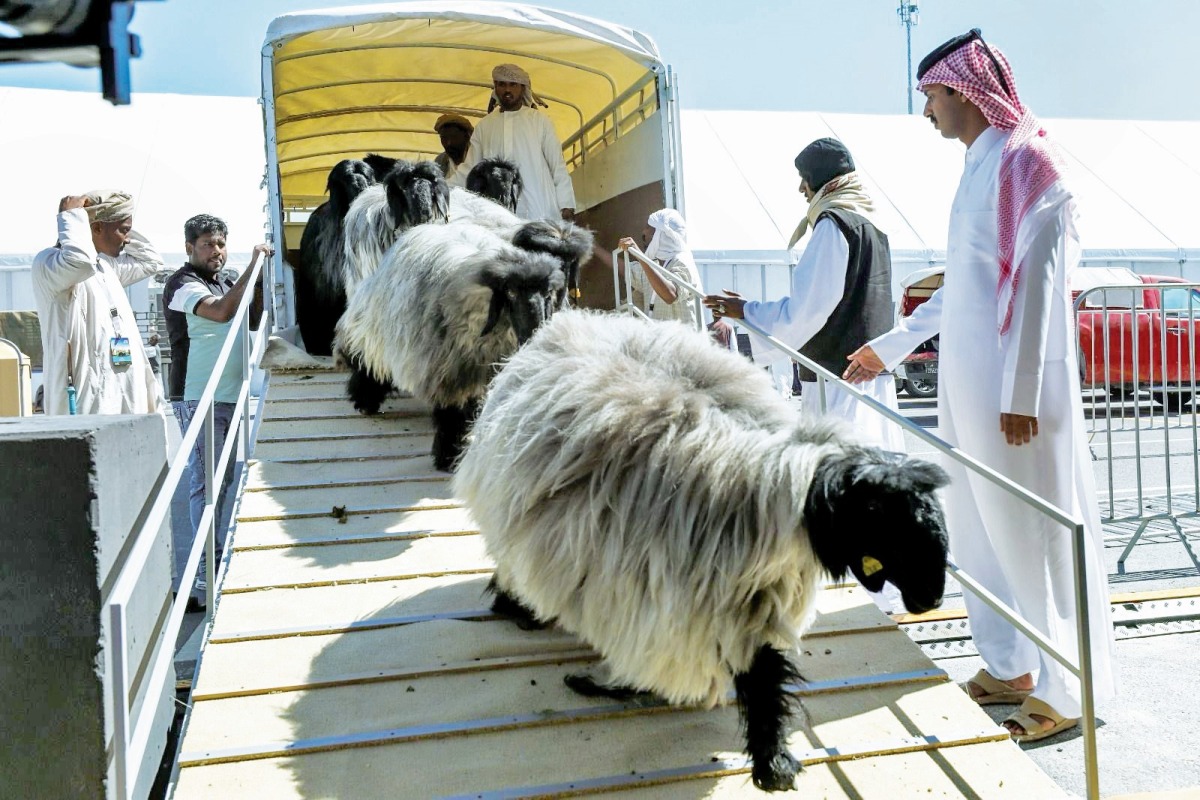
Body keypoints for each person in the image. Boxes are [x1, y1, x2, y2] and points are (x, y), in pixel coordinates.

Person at [842, 30, 1117, 742]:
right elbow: (960, 290)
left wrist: (1021, 390)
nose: (927, 113)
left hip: (1013, 394)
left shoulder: (1029, 161)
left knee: (1033, 532)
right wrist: (889, 346)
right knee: (979, 528)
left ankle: (1067, 689)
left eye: (930, 97)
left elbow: (1041, 284)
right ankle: (1009, 664)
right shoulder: (977, 165)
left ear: (961, 91)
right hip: (969, 388)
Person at [704, 138, 903, 453]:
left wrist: (745, 314)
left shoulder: (833, 224)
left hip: (838, 385)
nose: (801, 189)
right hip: (871, 384)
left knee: (841, 485)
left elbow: (808, 312)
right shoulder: (872, 225)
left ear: (822, 180)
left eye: (805, 178)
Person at [165, 214, 271, 605]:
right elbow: (222, 312)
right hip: (199, 397)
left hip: (227, 395)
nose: (217, 251)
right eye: (208, 244)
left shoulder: (225, 280)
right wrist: (252, 267)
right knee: (206, 485)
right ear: (190, 247)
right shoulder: (181, 284)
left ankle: (210, 565)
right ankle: (202, 580)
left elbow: (252, 317)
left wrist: (257, 280)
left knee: (221, 482)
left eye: (221, 244)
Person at [31, 190, 164, 416]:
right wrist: (73, 217)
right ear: (96, 228)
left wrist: (117, 218)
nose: (128, 239)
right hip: (87, 400)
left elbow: (151, 262)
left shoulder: (105, 268)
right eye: (123, 230)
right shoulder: (49, 264)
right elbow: (79, 263)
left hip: (125, 398)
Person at [453, 63, 575, 221]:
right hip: (499, 214)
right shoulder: (484, 126)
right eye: (501, 84)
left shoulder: (540, 121)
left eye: (513, 85)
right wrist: (441, 187)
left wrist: (566, 204)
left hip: (539, 210)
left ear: (522, 88)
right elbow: (469, 170)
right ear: (495, 88)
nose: (507, 90)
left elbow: (557, 165)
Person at [591, 209, 704, 329]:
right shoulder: (655, 264)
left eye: (649, 227)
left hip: (683, 345)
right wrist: (594, 247)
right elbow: (625, 269)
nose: (643, 232)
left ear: (661, 233)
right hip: (660, 342)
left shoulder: (682, 261)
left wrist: (639, 255)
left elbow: (670, 295)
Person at [433, 113, 474, 179]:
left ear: (467, 137)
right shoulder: (440, 161)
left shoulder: (476, 158)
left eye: (454, 137)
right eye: (444, 138)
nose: (449, 143)